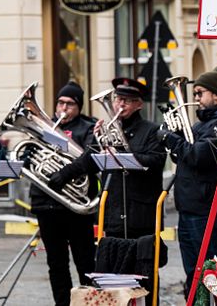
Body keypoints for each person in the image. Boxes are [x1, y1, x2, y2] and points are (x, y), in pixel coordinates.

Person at [50, 77, 166, 239]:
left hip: (141, 214)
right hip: (113, 210)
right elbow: (88, 160)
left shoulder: (152, 130)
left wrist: (119, 154)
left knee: (141, 262)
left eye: (127, 101)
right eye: (117, 99)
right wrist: (64, 174)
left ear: (139, 105)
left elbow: (156, 162)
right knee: (113, 262)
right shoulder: (105, 130)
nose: (120, 104)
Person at [156, 66, 217, 297]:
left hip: (205, 207)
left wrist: (171, 138)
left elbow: (199, 156)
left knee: (213, 271)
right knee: (193, 272)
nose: (196, 98)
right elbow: (182, 156)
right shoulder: (201, 124)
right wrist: (175, 135)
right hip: (188, 206)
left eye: (200, 93)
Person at [28, 81, 97, 306]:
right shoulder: (43, 126)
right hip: (46, 203)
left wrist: (65, 173)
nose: (63, 108)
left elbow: (91, 157)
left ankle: (87, 303)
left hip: (76, 207)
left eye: (69, 103)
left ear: (79, 106)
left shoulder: (89, 127)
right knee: (56, 264)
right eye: (60, 103)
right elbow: (29, 155)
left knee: (85, 262)